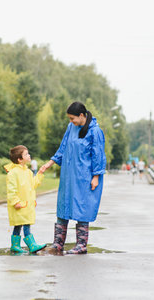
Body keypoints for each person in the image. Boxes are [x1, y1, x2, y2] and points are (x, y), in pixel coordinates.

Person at [39, 102, 106, 255]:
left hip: (84, 177)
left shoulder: (95, 132)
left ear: (82, 116)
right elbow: (63, 147)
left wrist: (96, 176)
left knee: (82, 208)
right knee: (63, 207)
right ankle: (57, 244)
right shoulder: (71, 128)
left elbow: (98, 155)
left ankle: (81, 245)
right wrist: (50, 163)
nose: (71, 121)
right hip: (68, 176)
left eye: (72, 118)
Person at [4, 145, 47, 253]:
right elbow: (11, 189)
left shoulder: (28, 172)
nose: (29, 155)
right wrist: (15, 202)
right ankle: (31, 245)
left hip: (27, 204)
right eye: (26, 154)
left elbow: (33, 184)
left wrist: (40, 174)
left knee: (23, 224)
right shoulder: (13, 173)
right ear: (19, 159)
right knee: (21, 224)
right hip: (19, 204)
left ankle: (16, 245)